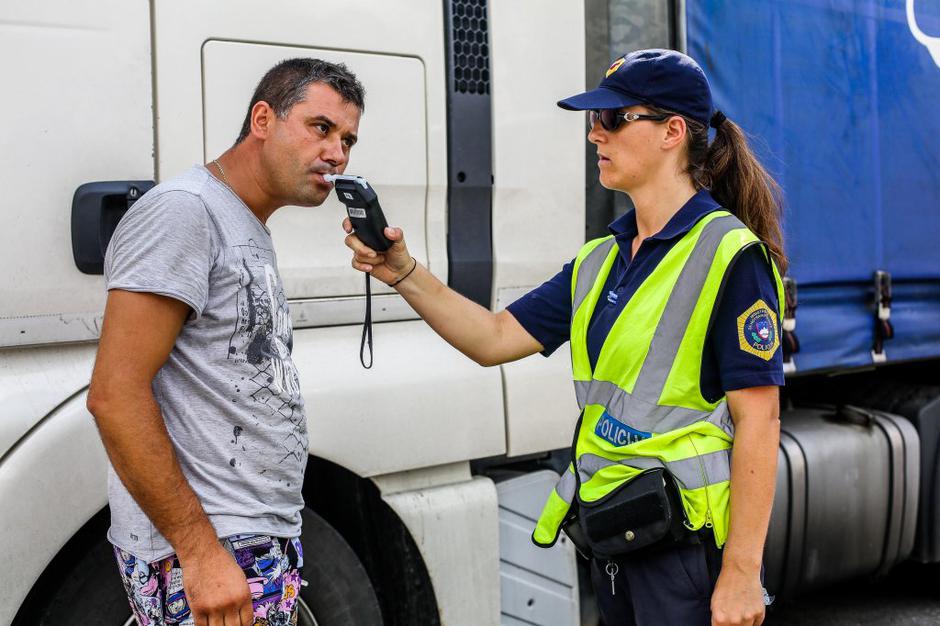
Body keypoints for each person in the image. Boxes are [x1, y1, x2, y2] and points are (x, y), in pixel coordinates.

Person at [343, 49, 784, 626]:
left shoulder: (730, 254)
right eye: (594, 120)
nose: (595, 134)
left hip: (685, 549)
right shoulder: (599, 260)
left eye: (614, 118)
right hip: (616, 534)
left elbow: (759, 420)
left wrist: (743, 572)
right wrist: (401, 270)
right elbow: (493, 339)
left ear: (672, 132)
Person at [87, 58, 364, 625]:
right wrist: (199, 553)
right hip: (211, 545)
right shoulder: (185, 211)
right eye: (321, 127)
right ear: (263, 119)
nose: (337, 154)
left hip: (247, 536)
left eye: (347, 140)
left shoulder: (241, 220)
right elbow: (114, 395)